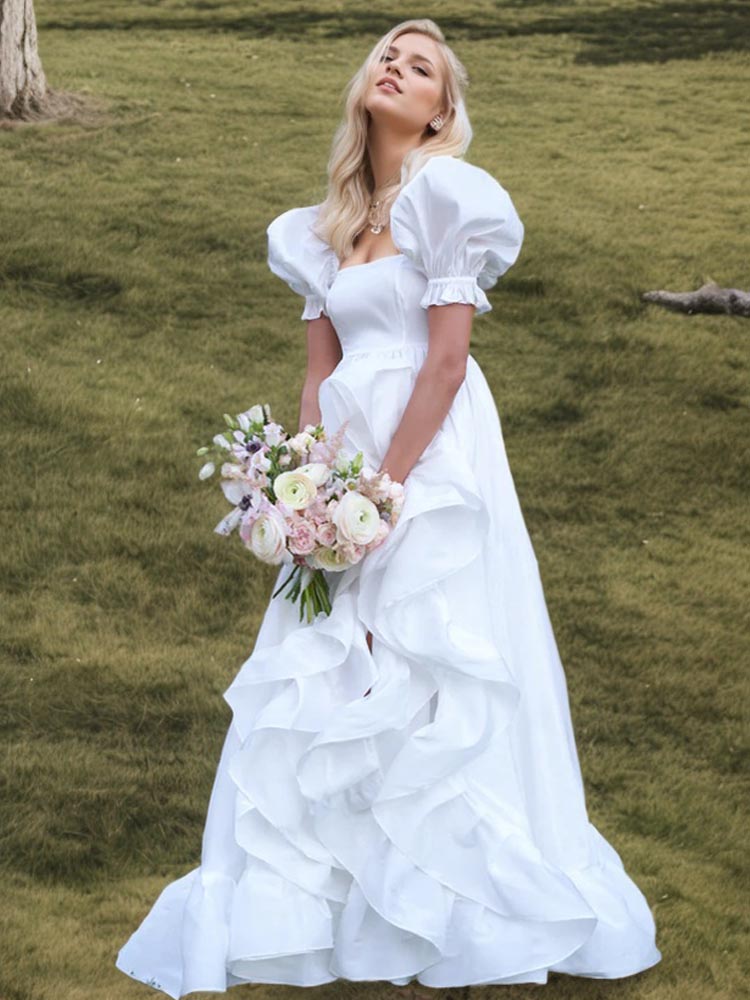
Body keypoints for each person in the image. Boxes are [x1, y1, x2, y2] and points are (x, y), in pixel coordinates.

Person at [115, 18, 662, 998]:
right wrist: (305, 484)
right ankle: (328, 899)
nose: (395, 69)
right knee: (331, 662)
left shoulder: (445, 200)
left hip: (431, 455)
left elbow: (447, 358)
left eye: (419, 68)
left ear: (442, 109)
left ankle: (450, 901)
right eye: (387, 57)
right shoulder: (322, 232)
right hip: (346, 468)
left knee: (427, 652)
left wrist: (389, 484)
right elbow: (318, 378)